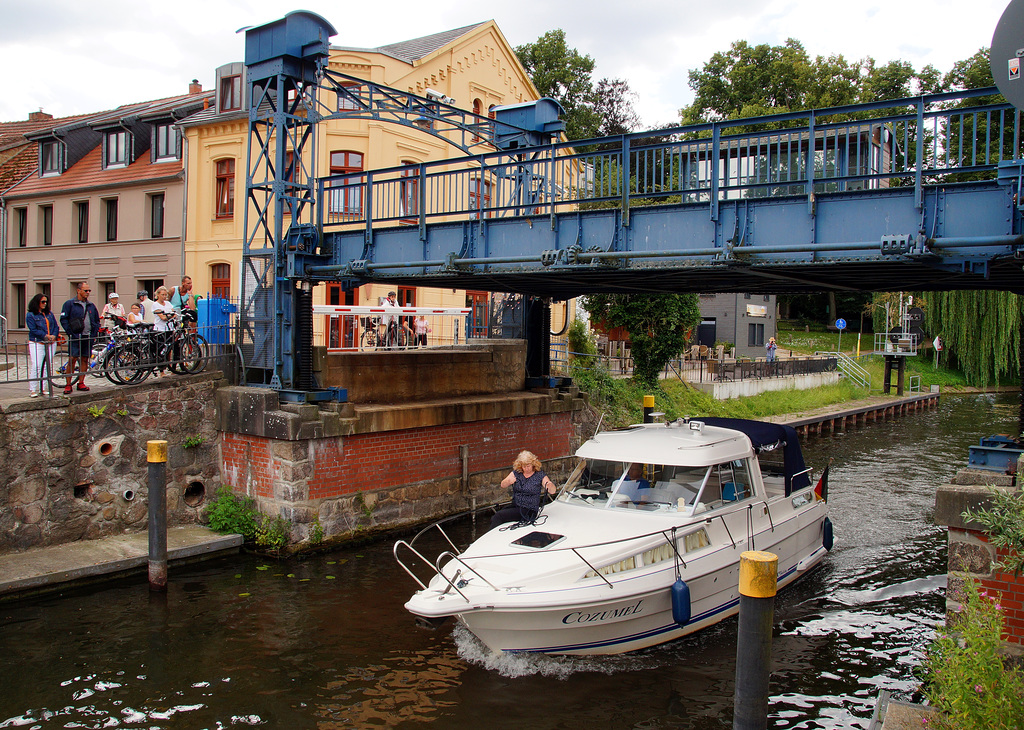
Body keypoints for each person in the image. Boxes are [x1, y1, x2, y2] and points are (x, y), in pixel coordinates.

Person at [490, 450, 556, 529]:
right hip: (516, 506)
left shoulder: (539, 475)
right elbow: (502, 485)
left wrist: (550, 485)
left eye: (528, 466)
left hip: (529, 510)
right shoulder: (517, 473)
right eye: (524, 466)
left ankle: (488, 540)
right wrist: (508, 481)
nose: (526, 468)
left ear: (533, 464)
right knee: (494, 517)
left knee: (499, 516)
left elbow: (552, 491)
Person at [59, 282, 100, 394]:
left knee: (85, 359)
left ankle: (81, 382)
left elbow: (96, 320)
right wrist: (71, 332)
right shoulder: (70, 304)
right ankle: (68, 384)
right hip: (76, 336)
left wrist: (94, 333)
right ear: (78, 290)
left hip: (88, 336)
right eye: (85, 290)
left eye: (89, 291)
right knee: (72, 359)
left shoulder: (91, 305)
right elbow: (63, 319)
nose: (87, 293)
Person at [26, 293, 59, 397]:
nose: (45, 304)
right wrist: (45, 336)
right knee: (37, 365)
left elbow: (55, 326)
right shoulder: (31, 315)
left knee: (47, 365)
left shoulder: (49, 314)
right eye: (42, 302)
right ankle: (33, 388)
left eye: (46, 302)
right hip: (37, 342)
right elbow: (33, 329)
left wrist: (53, 335)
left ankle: (43, 387)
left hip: (50, 342)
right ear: (37, 303)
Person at [151, 286, 176, 375]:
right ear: (158, 295)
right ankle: (161, 370)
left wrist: (169, 316)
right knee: (160, 350)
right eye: (162, 295)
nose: (164, 297)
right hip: (160, 329)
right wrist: (169, 316)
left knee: (169, 349)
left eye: (165, 295)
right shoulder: (155, 304)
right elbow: (162, 317)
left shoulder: (168, 303)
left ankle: (170, 367)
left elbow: (174, 313)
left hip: (169, 328)